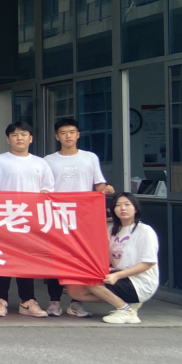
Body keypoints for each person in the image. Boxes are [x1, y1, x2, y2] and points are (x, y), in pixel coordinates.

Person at [43, 117, 115, 317]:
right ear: (57, 136)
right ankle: (54, 302)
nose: (68, 136)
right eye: (63, 133)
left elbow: (98, 184)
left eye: (72, 132)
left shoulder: (90, 158)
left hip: (84, 218)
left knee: (81, 259)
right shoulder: (48, 160)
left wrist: (105, 189)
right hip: (57, 217)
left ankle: (76, 302)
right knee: (56, 261)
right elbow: (45, 188)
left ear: (78, 135)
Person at [0, 121, 54, 318]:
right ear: (8, 139)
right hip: (4, 219)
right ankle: (0, 300)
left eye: (23, 134)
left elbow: (48, 190)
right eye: (14, 135)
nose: (19, 138)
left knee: (27, 260)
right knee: (2, 260)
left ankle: (27, 301)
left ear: (31, 138)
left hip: (30, 220)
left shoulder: (41, 163)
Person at [63, 193, 159, 324]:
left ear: (135, 208)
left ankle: (126, 311)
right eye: (118, 205)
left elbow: (147, 263)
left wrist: (117, 275)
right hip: (119, 275)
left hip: (140, 281)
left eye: (127, 204)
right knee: (74, 290)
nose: (123, 208)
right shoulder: (112, 230)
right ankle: (127, 303)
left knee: (92, 281)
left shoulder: (144, 231)